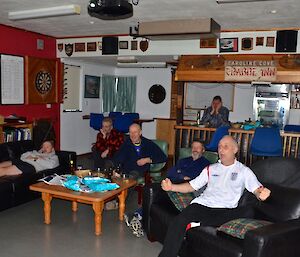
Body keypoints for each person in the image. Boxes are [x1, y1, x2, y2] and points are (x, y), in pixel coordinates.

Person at [158, 135, 271, 257]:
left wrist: (262, 194)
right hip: (202, 205)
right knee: (178, 221)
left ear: (235, 149)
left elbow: (257, 189)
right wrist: (172, 187)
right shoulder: (210, 168)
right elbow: (192, 186)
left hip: (225, 210)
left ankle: (199, 223)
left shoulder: (244, 171)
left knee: (249, 211)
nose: (221, 150)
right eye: (219, 147)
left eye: (225, 147)